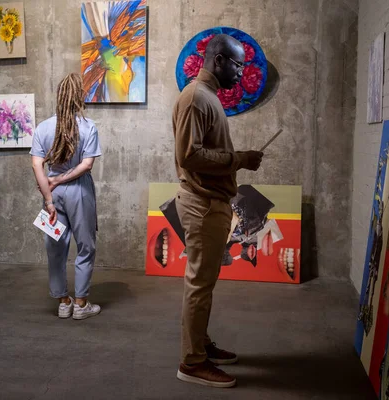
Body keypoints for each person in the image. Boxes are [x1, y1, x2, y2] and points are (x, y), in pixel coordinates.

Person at [172, 34, 264, 388]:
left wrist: (236, 159)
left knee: (204, 284)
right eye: (238, 64)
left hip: (211, 204)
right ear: (219, 60)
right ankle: (192, 362)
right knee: (199, 285)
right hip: (202, 205)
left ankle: (200, 345)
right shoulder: (196, 98)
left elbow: (203, 152)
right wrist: (240, 159)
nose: (242, 72)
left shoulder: (207, 97)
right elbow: (189, 156)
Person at [30, 73, 102, 320]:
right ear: (78, 97)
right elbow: (87, 165)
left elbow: (36, 166)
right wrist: (62, 179)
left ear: (59, 96)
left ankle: (63, 302)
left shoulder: (43, 128)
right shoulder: (88, 126)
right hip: (80, 191)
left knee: (55, 248)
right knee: (85, 246)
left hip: (53, 194)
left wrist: (49, 196)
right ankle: (81, 304)